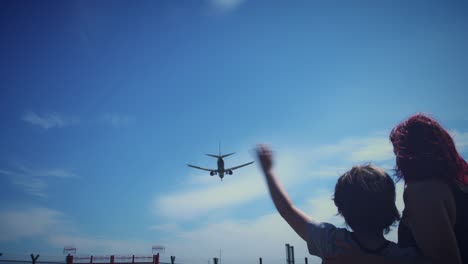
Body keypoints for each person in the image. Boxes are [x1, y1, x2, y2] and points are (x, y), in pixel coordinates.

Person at [327, 113, 468, 264]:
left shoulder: (422, 191)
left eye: (397, 152)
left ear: (408, 154)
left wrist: (364, 260)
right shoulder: (459, 187)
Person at [255, 144, 419, 263]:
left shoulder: (334, 244)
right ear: (391, 207)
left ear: (340, 207)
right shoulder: (405, 256)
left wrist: (268, 171)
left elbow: (287, 210)